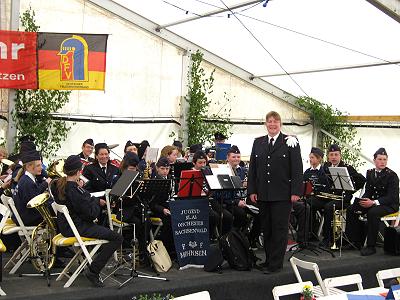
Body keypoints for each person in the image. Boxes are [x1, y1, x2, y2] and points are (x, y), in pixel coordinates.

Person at [53, 155, 122, 287]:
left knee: (107, 233)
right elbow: (91, 214)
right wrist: (96, 203)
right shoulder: (73, 190)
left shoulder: (62, 185)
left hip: (68, 226)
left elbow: (83, 200)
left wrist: (90, 198)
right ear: (79, 171)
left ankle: (91, 266)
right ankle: (93, 270)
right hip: (77, 227)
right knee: (117, 237)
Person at [248, 111, 303, 274]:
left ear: (280, 124)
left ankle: (276, 264)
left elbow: (297, 169)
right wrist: (252, 189)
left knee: (279, 229)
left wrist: (296, 191)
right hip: (263, 194)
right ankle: (268, 259)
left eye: (275, 122)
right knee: (267, 229)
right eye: (269, 121)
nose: (272, 124)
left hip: (283, 194)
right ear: (265, 124)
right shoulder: (258, 142)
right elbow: (253, 169)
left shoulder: (290, 141)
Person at [345, 148, 399, 256]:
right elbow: (368, 191)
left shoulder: (392, 175)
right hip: (373, 202)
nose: (382, 162)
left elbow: (391, 197)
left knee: (372, 212)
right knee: (351, 209)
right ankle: (354, 241)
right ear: (374, 160)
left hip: (389, 205)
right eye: (380, 159)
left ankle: (371, 246)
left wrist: (373, 202)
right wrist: (362, 201)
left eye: (384, 159)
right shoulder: (370, 173)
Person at [316, 144, 366, 248]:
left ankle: (327, 239)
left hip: (342, 199)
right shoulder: (326, 167)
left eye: (336, 155)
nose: (334, 157)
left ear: (340, 156)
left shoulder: (347, 168)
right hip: (329, 197)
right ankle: (310, 235)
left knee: (328, 207)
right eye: (331, 155)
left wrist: (350, 189)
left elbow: (362, 180)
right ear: (328, 156)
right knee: (310, 202)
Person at [12, 149, 52, 226]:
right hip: (27, 218)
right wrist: (52, 203)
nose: (41, 168)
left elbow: (34, 194)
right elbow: (35, 204)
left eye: (41, 165)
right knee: (57, 216)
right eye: (38, 165)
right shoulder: (27, 182)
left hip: (23, 215)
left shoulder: (26, 178)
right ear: (28, 167)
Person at [149, 157, 175, 257]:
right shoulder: (154, 181)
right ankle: (167, 249)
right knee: (169, 220)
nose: (165, 171)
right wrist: (162, 209)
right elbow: (152, 203)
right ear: (157, 168)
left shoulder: (171, 179)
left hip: (170, 205)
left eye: (167, 169)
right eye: (162, 168)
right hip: (158, 208)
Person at [302, 147, 330, 239]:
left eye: (313, 157)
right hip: (309, 197)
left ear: (319, 159)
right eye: (310, 157)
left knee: (309, 204)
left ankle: (312, 233)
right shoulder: (307, 172)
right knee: (301, 204)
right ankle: (303, 232)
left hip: (321, 198)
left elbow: (326, 188)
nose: (310, 159)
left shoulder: (324, 172)